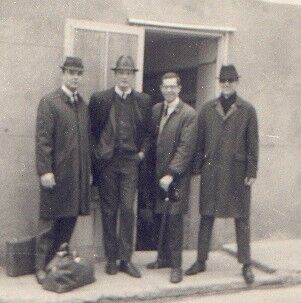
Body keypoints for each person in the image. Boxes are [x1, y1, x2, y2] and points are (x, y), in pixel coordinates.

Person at [185, 65, 259, 284]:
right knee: (206, 215)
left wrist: (252, 171)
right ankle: (200, 260)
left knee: (242, 217)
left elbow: (253, 144)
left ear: (237, 82)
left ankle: (246, 264)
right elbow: (199, 142)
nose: (227, 84)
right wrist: (197, 167)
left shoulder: (247, 109)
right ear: (219, 82)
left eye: (231, 80)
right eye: (223, 80)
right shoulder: (207, 109)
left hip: (237, 172)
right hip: (212, 171)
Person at [89, 55, 152, 278]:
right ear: (115, 75)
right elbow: (92, 132)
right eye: (121, 72)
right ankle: (112, 259)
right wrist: (98, 155)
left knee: (127, 210)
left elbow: (148, 133)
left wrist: (141, 153)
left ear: (133, 76)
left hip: (130, 163)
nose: (125, 76)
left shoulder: (143, 101)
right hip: (108, 163)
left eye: (128, 73)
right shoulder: (101, 99)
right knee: (109, 210)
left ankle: (126, 259)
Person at [35, 56, 91, 284]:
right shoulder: (50, 102)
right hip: (55, 175)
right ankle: (40, 267)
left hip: (75, 175)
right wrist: (45, 171)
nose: (75, 77)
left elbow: (85, 142)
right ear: (63, 74)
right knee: (48, 223)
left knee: (69, 220)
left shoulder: (82, 105)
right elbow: (42, 140)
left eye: (79, 73)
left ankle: (56, 264)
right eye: (71, 72)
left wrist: (86, 171)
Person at [146, 72, 197, 283]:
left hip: (176, 177)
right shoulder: (157, 109)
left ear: (179, 89)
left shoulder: (188, 114)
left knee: (175, 219)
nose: (169, 90)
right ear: (161, 88)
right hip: (158, 173)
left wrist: (171, 173)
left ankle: (176, 266)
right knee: (160, 216)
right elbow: (152, 138)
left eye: (172, 87)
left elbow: (186, 148)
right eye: (165, 87)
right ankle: (163, 258)